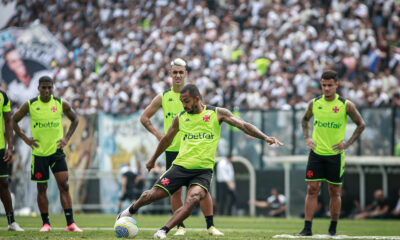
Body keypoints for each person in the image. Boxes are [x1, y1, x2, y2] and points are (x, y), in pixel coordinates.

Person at [118, 84, 283, 239]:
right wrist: (152, 159)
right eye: (182, 102)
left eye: (186, 101)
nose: (183, 105)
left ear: (197, 98)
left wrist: (265, 137)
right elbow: (167, 140)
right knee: (153, 194)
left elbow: (243, 125)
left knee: (193, 198)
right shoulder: (180, 118)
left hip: (203, 171)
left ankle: (163, 230)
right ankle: (129, 211)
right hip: (180, 166)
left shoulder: (217, 113)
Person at [139, 58, 223, 236]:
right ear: (170, 74)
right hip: (172, 150)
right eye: (174, 72)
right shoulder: (163, 97)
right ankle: (180, 227)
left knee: (202, 190)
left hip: (194, 149)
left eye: (181, 72)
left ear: (186, 74)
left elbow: (205, 117)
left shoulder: (192, 95)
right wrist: (158, 134)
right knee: (175, 191)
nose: (177, 75)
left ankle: (210, 226)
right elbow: (144, 118)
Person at [298, 70, 366, 236]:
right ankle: (307, 228)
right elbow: (305, 120)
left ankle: (333, 228)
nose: (326, 88)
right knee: (312, 189)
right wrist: (307, 137)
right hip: (316, 153)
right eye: (323, 85)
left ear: (336, 85)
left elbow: (361, 124)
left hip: (335, 155)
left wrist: (347, 143)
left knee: (334, 191)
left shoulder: (345, 105)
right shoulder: (314, 103)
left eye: (329, 85)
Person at [12, 76, 82, 232]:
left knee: (64, 185)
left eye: (49, 88)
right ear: (38, 88)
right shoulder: (30, 104)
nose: (47, 91)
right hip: (39, 154)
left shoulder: (60, 103)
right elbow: (13, 120)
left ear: (53, 88)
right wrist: (25, 139)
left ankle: (70, 224)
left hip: (57, 152)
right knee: (42, 188)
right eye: (44, 88)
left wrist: (67, 138)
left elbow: (75, 119)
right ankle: (46, 224)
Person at [0, 89, 24, 231]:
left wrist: (10, 146)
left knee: (3, 184)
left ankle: (11, 222)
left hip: (0, 148)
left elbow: (9, 120)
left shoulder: (3, 96)